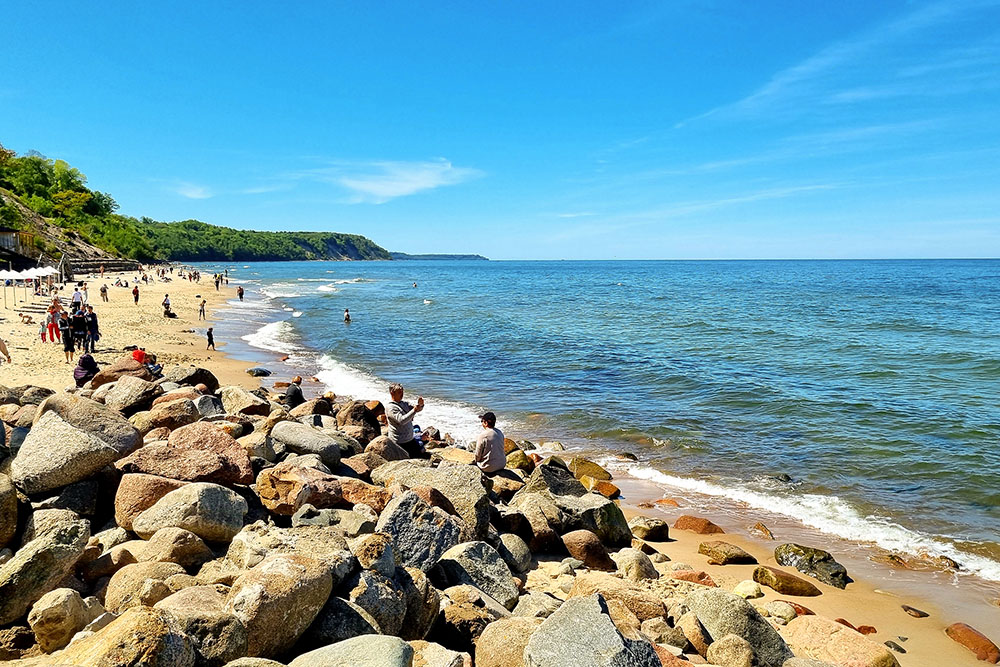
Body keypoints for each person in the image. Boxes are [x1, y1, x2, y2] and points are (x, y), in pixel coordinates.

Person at [385, 383, 426, 458]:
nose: (402, 394)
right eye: (399, 392)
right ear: (392, 393)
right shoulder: (391, 408)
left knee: (423, 453)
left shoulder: (404, 403)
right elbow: (401, 421)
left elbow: (417, 409)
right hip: (400, 442)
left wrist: (421, 405)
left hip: (410, 439)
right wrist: (414, 410)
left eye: (402, 392)